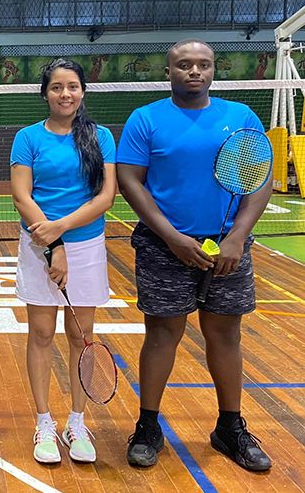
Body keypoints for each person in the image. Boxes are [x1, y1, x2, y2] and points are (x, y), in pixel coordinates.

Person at [117, 38, 272, 471]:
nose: (194, 72)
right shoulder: (145, 119)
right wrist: (170, 237)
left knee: (225, 336)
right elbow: (131, 181)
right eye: (184, 65)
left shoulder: (240, 117)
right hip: (164, 247)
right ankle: (148, 426)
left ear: (213, 70)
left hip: (226, 247)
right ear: (168, 71)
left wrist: (238, 236)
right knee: (162, 335)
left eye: (203, 64)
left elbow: (258, 178)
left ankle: (229, 427)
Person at [10, 58, 116, 464]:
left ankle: (76, 420)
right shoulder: (28, 137)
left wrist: (63, 231)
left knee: (80, 336)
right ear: (45, 94)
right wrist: (52, 243)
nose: (65, 94)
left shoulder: (101, 136)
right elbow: (22, 195)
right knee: (40, 333)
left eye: (72, 86)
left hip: (85, 245)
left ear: (82, 91)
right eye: (56, 87)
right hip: (39, 243)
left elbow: (105, 197)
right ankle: (43, 423)